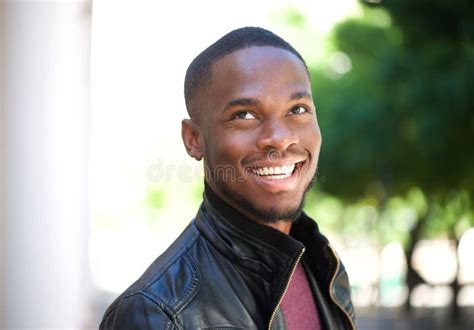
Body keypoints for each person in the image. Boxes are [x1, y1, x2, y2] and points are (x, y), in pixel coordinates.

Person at [100, 26, 356, 330]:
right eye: (244, 115)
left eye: (297, 109)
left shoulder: (323, 265)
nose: (279, 138)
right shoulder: (157, 314)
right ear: (194, 139)